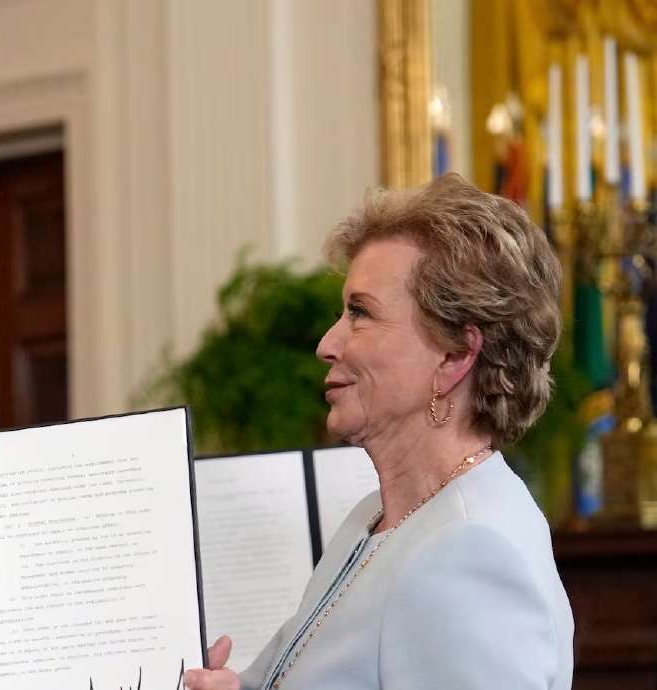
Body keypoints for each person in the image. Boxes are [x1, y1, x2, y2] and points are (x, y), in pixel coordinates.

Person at [185, 173, 574, 690]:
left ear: (455, 354)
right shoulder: (373, 518)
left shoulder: (470, 553)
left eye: (360, 313)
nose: (327, 343)